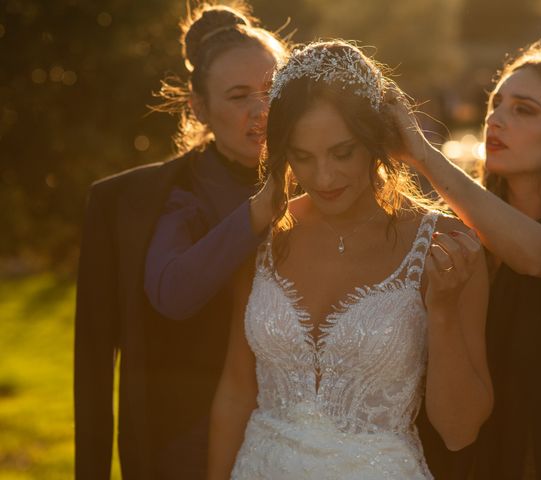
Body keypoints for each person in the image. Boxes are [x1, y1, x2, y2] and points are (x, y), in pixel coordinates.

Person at [207, 40, 493, 480]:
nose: (323, 177)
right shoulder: (266, 234)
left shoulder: (445, 245)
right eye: (302, 157)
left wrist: (444, 312)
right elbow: (236, 389)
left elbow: (460, 431)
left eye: (342, 153)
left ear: (377, 138)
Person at [387, 40, 541, 479]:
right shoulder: (463, 233)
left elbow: (538, 255)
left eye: (524, 109)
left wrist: (424, 156)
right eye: (496, 104)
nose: (496, 119)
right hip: (457, 461)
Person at [74, 3, 288, 479]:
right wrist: (262, 207)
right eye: (238, 97)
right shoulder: (176, 196)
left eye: (273, 90)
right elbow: (173, 293)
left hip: (303, 435)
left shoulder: (328, 180)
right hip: (191, 441)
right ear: (199, 108)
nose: (262, 110)